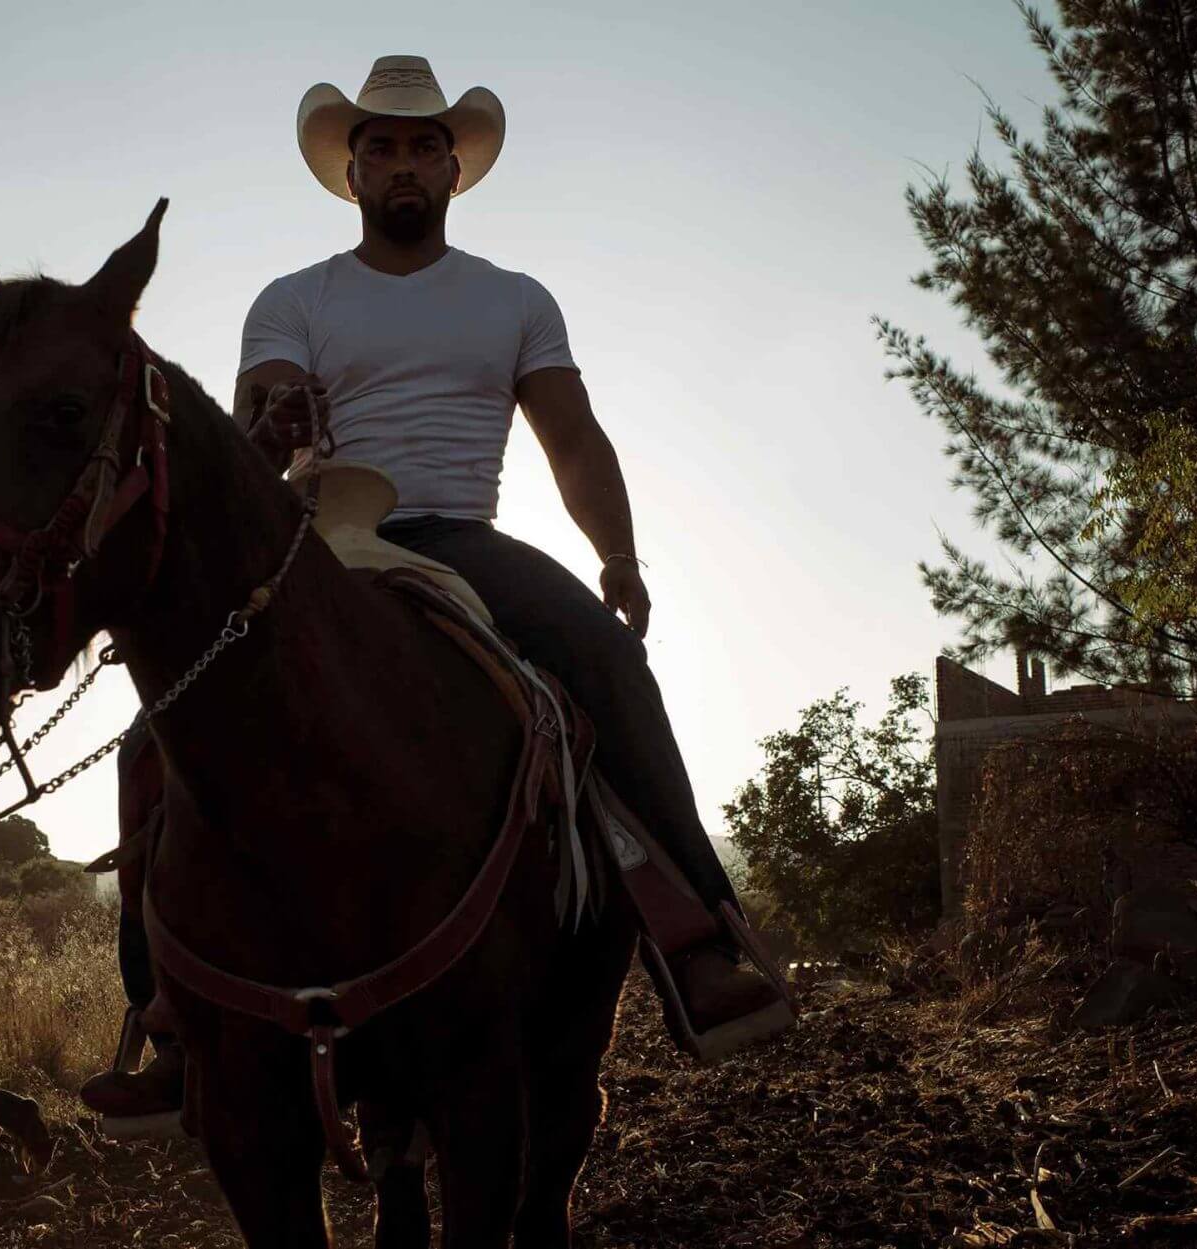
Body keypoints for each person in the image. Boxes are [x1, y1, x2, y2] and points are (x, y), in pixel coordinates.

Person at [82, 55, 793, 1124]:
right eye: (382, 147)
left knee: (605, 663)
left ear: (454, 170)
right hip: (318, 544)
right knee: (157, 732)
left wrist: (619, 556)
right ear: (352, 171)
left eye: (423, 146)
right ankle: (170, 1016)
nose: (403, 163)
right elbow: (249, 450)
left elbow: (573, 438)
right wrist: (270, 430)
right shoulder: (294, 299)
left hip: (464, 536)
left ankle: (696, 938)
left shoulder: (512, 300)